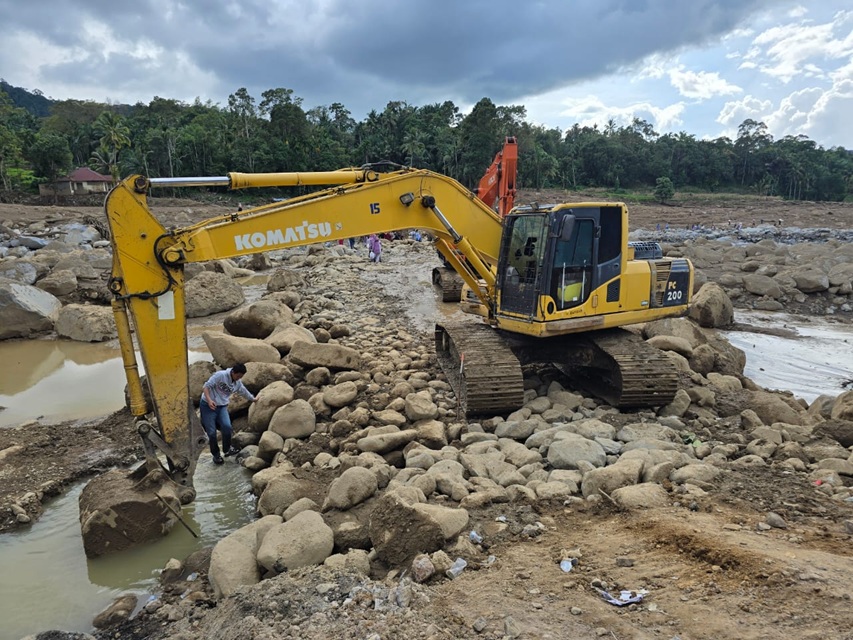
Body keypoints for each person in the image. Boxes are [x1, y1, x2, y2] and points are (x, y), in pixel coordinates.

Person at [200, 363, 256, 464]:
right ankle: (216, 455)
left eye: (241, 377)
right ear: (233, 372)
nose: (238, 379)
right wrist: (209, 400)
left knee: (227, 427)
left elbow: (243, 391)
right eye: (238, 376)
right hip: (207, 406)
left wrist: (253, 399)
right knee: (212, 433)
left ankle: (227, 449)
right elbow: (206, 387)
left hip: (221, 407)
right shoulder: (220, 375)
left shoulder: (237, 383)